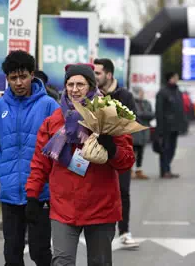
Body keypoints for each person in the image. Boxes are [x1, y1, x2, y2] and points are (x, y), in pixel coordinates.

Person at [26, 63, 135, 266]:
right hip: (64, 206)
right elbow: (40, 163)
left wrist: (112, 149)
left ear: (91, 86)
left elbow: (127, 162)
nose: (74, 89)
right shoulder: (54, 121)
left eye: (80, 84)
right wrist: (32, 195)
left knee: (100, 263)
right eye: (70, 84)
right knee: (62, 262)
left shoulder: (109, 116)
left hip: (101, 206)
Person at [0, 50, 59, 266]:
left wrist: (48, 178)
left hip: (40, 193)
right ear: (7, 79)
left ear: (32, 74)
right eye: (13, 78)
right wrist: (0, 171)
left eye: (23, 76)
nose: (18, 82)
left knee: (40, 253)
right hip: (10, 191)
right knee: (12, 254)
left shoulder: (48, 105)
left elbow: (58, 147)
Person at [93, 58, 139, 247]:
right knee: (97, 191)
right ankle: (96, 229)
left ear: (109, 75)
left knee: (123, 191)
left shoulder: (125, 95)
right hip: (94, 152)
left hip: (119, 150)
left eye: (98, 73)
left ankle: (124, 231)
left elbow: (132, 121)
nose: (94, 76)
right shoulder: (91, 94)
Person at [155, 72, 185, 178]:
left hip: (175, 126)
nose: (177, 79)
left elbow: (180, 109)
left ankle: (167, 169)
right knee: (165, 149)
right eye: (175, 77)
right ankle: (164, 171)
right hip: (166, 126)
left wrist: (182, 124)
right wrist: (160, 128)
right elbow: (159, 111)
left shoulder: (178, 92)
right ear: (170, 79)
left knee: (172, 149)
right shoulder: (163, 92)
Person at [132, 88, 154, 180]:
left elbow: (151, 114)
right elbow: (134, 114)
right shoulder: (132, 103)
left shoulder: (146, 103)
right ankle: (130, 170)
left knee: (141, 152)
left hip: (144, 131)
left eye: (142, 93)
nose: (142, 95)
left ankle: (139, 170)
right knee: (132, 152)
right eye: (140, 93)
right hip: (135, 131)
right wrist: (143, 114)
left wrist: (142, 114)